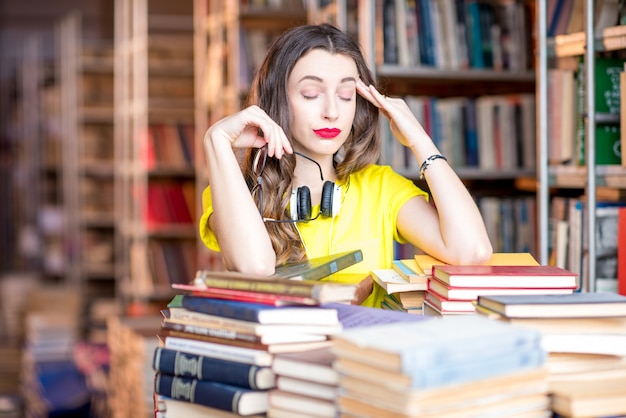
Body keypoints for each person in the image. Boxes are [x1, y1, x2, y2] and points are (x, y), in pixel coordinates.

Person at [200, 23, 493, 307]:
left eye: (345, 96)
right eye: (311, 94)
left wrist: (420, 140)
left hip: (366, 353)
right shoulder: (235, 192)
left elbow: (472, 251)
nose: (332, 112)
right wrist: (217, 140)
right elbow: (254, 267)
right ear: (278, 99)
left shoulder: (380, 187)